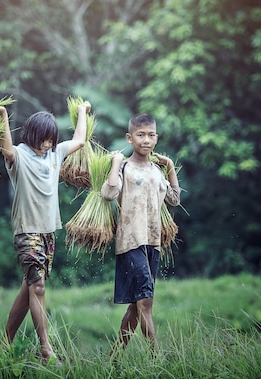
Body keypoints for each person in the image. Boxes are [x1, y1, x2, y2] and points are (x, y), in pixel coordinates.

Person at [0, 100, 92, 364]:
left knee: (30, 287)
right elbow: (7, 150)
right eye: (43, 140)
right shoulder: (20, 155)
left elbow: (79, 140)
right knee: (39, 287)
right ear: (32, 135)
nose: (46, 145)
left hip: (47, 231)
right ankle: (47, 350)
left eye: (50, 140)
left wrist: (82, 113)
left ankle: (4, 343)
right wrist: (3, 117)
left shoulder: (55, 154)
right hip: (27, 231)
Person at [101, 113, 181, 355]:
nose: (146, 140)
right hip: (131, 242)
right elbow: (108, 194)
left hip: (152, 243)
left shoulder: (157, 171)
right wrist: (115, 164)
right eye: (140, 135)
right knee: (145, 301)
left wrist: (169, 167)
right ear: (130, 137)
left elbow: (174, 199)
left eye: (151, 135)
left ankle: (113, 360)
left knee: (137, 307)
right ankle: (156, 359)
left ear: (156, 138)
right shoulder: (125, 167)